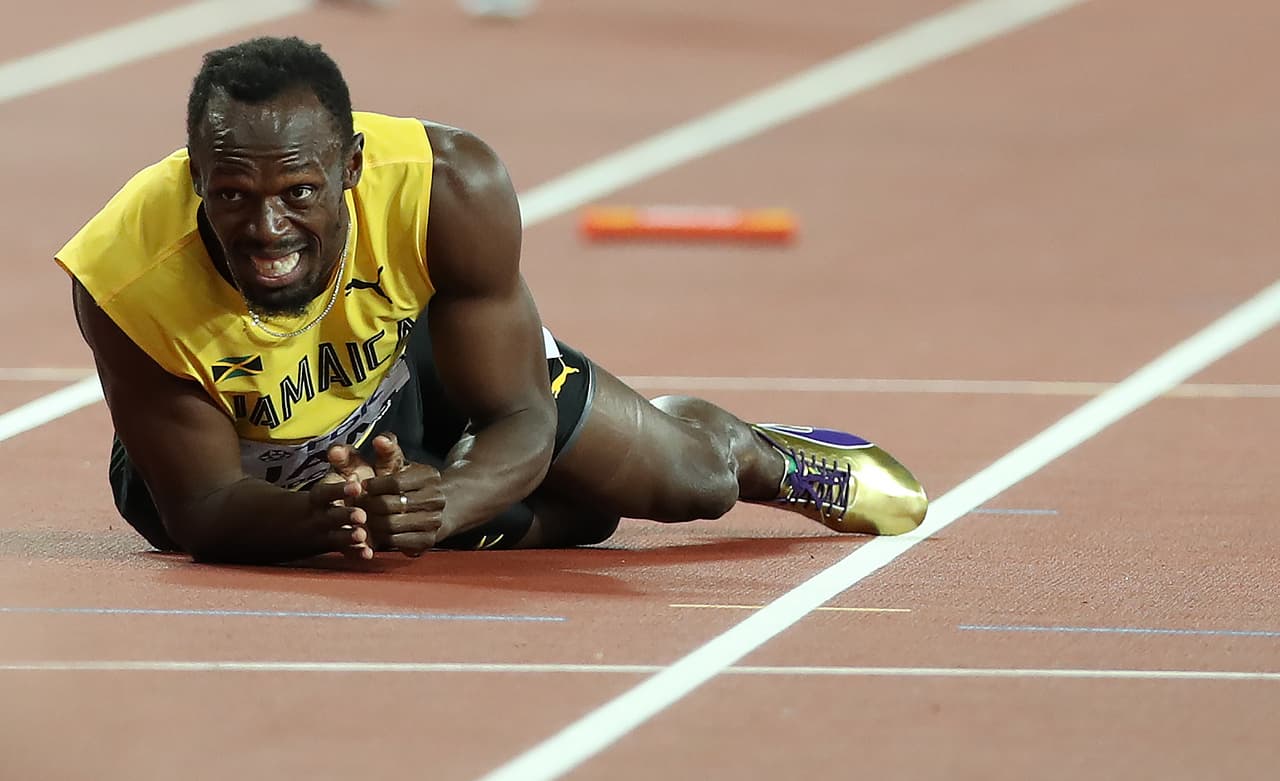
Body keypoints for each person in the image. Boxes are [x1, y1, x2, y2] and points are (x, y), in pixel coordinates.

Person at [56, 36, 928, 565]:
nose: (266, 229)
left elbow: (518, 415)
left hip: (409, 364)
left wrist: (432, 507)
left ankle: (767, 453)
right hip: (251, 461)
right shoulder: (123, 277)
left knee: (690, 484)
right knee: (584, 517)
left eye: (298, 193)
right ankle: (503, 511)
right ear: (194, 177)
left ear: (351, 169)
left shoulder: (448, 187)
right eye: (232, 195)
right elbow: (204, 509)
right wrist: (333, 517)